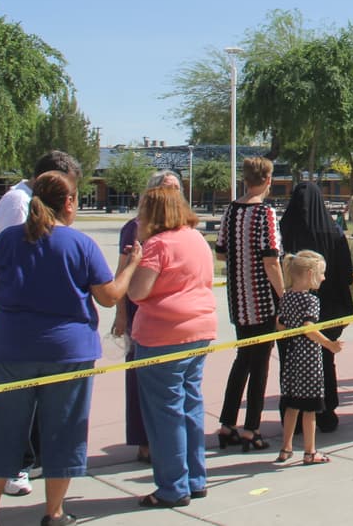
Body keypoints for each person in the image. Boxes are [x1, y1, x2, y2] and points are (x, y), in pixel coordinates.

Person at [0, 170, 140, 526]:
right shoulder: (80, 245)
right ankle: (54, 512)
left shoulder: (7, 241)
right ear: (68, 203)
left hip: (10, 349)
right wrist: (131, 267)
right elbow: (109, 297)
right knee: (62, 431)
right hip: (68, 352)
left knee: (0, 433)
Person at [0, 149, 83, 498]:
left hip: (36, 322)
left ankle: (34, 458)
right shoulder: (19, 203)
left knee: (40, 400)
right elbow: (17, 257)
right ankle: (17, 467)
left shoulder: (31, 204)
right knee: (19, 403)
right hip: (23, 320)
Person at [128, 186, 217, 508]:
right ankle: (196, 478)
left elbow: (138, 291)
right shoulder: (195, 239)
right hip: (199, 328)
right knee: (190, 404)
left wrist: (131, 262)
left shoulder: (157, 245)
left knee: (164, 413)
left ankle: (172, 486)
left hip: (163, 335)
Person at [111, 170, 183, 467]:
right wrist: (121, 313)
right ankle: (144, 440)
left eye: (177, 188)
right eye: (168, 188)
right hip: (142, 315)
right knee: (140, 378)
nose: (173, 194)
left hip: (175, 318)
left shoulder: (182, 230)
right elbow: (123, 274)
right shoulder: (135, 228)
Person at [215, 158, 284, 452]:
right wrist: (284, 296)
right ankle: (251, 428)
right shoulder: (264, 213)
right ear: (267, 180)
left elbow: (220, 253)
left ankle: (228, 422)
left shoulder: (231, 211)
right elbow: (271, 259)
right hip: (262, 300)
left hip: (238, 299)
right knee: (260, 365)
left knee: (243, 359)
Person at [278, 182, 353, 433]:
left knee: (291, 365)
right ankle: (326, 412)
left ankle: (293, 417)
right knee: (324, 360)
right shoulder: (333, 232)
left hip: (294, 309)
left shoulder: (287, 232)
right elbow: (346, 273)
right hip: (329, 307)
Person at [273, 250, 343, 465]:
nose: (323, 278)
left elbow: (279, 324)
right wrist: (329, 344)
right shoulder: (310, 300)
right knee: (311, 408)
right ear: (310, 273)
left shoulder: (287, 297)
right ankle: (310, 451)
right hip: (309, 359)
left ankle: (286, 448)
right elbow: (308, 328)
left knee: (292, 405)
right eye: (321, 274)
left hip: (292, 355)